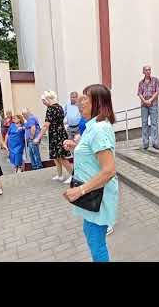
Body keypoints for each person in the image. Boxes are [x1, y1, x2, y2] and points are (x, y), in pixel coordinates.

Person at [63, 84, 118, 262]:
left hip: (96, 195)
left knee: (96, 243)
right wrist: (77, 146)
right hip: (93, 194)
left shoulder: (99, 129)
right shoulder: (92, 126)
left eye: (85, 97)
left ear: (98, 102)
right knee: (91, 235)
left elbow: (109, 170)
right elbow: (92, 152)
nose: (80, 101)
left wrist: (80, 190)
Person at [34, 91, 72, 183]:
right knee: (56, 156)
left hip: (56, 134)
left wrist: (38, 137)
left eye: (43, 101)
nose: (43, 103)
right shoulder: (59, 107)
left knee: (61, 157)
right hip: (60, 133)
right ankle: (60, 175)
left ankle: (72, 175)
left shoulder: (50, 109)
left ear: (48, 99)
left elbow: (46, 125)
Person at [137, 65, 159, 150]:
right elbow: (139, 93)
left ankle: (155, 142)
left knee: (154, 123)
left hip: (153, 104)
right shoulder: (141, 82)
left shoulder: (155, 80)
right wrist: (144, 101)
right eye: (146, 70)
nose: (148, 71)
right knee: (144, 124)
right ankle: (145, 143)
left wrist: (150, 100)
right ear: (143, 72)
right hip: (144, 106)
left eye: (149, 70)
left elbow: (158, 91)